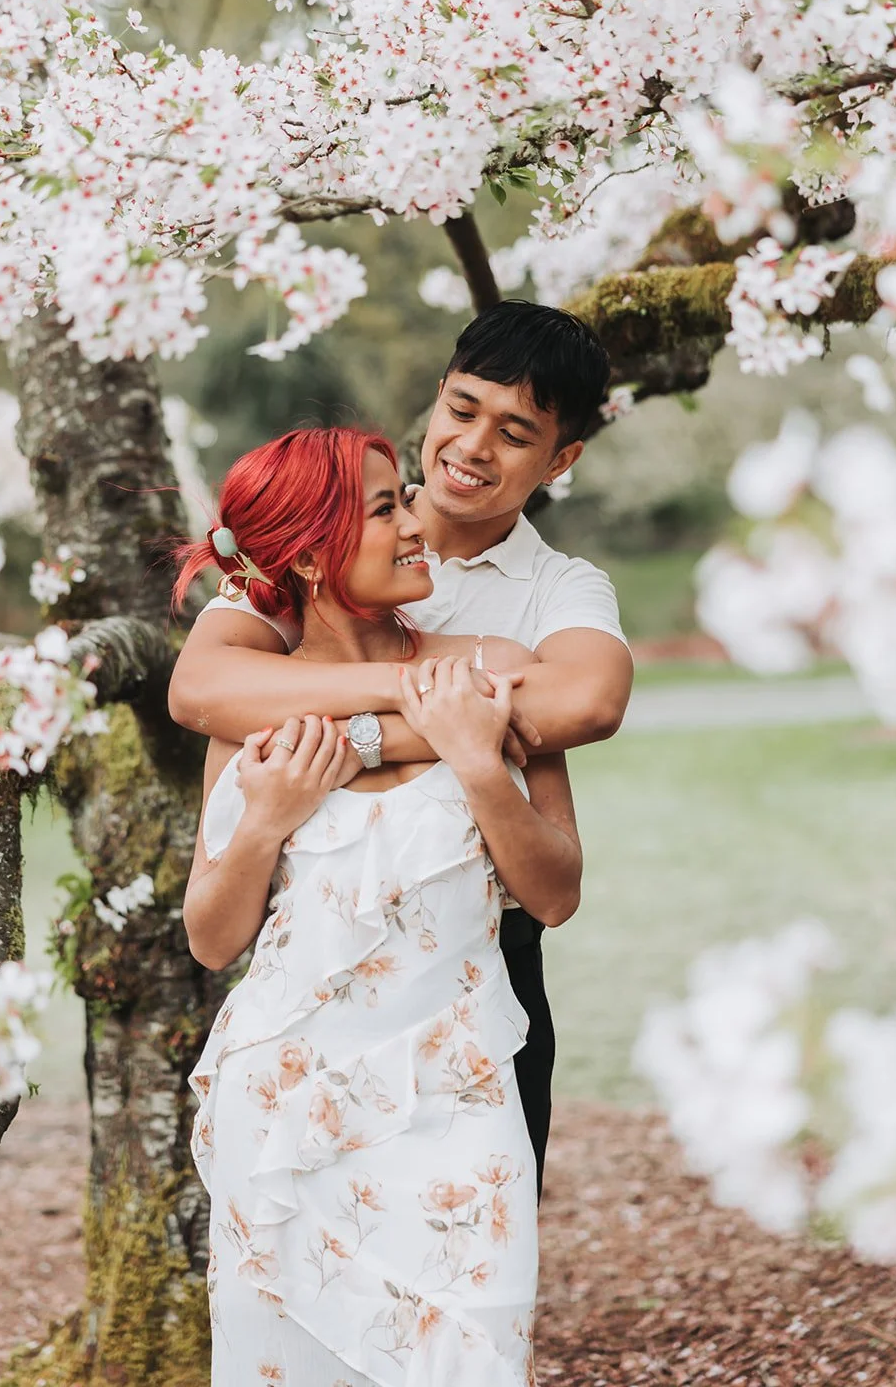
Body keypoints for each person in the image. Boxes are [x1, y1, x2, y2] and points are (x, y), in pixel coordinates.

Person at [170, 300, 634, 1193]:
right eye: (462, 410)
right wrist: (422, 698)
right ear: (437, 397)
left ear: (560, 458)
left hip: (482, 968)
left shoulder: (556, 590)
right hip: (314, 967)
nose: (472, 448)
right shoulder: (319, 527)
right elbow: (201, 691)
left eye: (515, 433)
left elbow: (584, 698)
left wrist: (346, 734)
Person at [177, 425, 583, 1386]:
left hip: (459, 1098)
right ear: (313, 554)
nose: (418, 527)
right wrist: (265, 821)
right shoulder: (252, 708)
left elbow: (556, 893)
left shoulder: (497, 663)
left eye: (407, 499)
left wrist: (479, 765)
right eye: (388, 508)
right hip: (284, 1110)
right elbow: (210, 936)